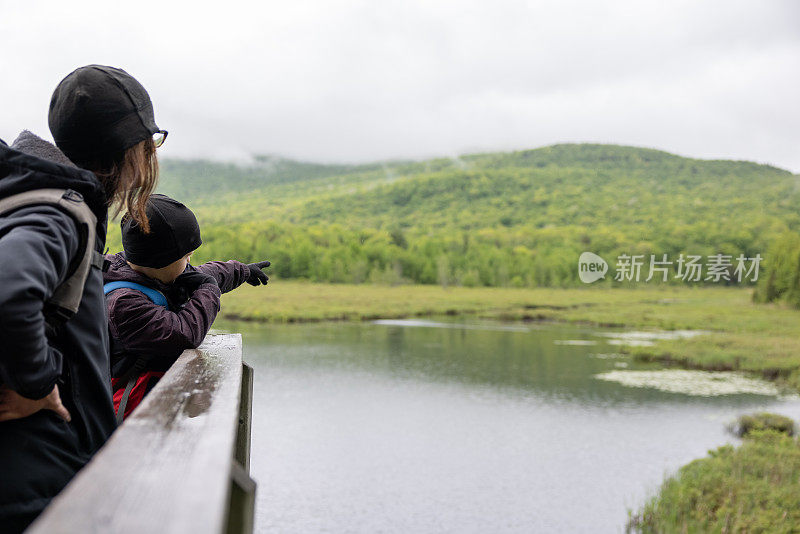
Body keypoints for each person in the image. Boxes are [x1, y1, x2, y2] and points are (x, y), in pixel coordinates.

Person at [0, 65, 162, 532]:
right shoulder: (58, 209)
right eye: (150, 141)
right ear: (130, 149)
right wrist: (38, 384)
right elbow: (11, 291)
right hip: (37, 480)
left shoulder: (24, 196)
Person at [104, 194, 270, 420]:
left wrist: (242, 271)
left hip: (156, 407)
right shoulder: (124, 304)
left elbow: (199, 274)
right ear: (161, 261)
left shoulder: (153, 276)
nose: (190, 262)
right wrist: (210, 291)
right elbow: (183, 334)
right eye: (187, 256)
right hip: (130, 420)